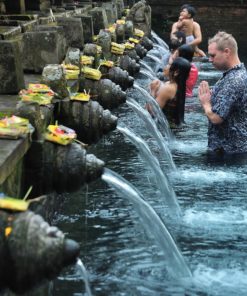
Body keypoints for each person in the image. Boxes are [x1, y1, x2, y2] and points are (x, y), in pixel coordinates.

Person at [198, 31, 247, 154]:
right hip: (233, 148)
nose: (210, 59)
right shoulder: (237, 74)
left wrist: (206, 103)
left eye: (213, 55)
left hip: (229, 151)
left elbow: (216, 118)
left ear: (226, 52)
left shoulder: (234, 80)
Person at [149, 57, 191, 125]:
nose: (166, 66)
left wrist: (152, 91)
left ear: (176, 72)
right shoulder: (177, 85)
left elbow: (152, 112)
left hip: (168, 129)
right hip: (175, 126)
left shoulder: (168, 88)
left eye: (169, 65)